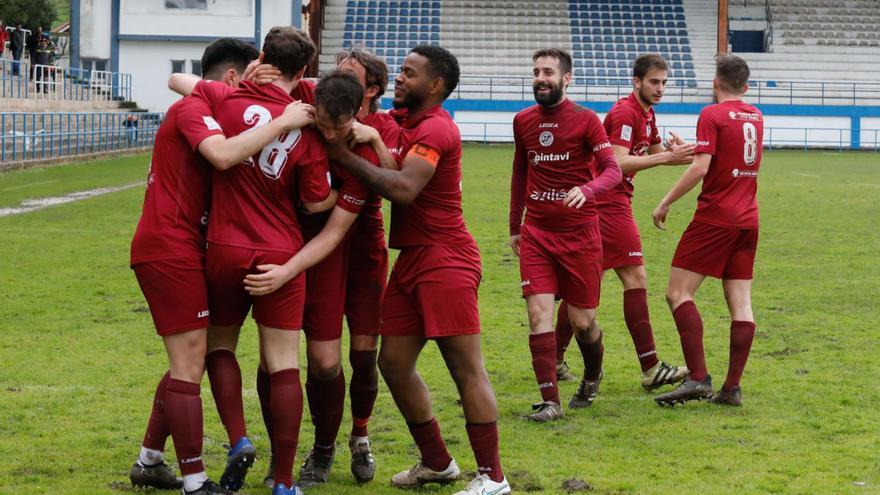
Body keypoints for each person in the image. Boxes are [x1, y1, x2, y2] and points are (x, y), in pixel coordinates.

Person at [128, 37, 313, 495]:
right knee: (191, 361)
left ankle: (151, 459)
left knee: (191, 356)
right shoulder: (194, 109)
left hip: (202, 247)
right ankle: (197, 480)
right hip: (175, 247)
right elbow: (224, 153)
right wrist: (287, 117)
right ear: (234, 76)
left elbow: (184, 81)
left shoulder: (221, 103)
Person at [329, 45, 511, 495]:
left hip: (446, 258)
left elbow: (404, 189)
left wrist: (340, 152)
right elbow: (394, 164)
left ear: (435, 85)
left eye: (409, 74)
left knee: (466, 368)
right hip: (413, 258)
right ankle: (437, 462)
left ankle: (493, 477)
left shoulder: (436, 129)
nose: (400, 80)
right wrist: (370, 140)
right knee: (392, 363)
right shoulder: (409, 124)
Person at [196, 27, 340, 495]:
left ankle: (238, 439)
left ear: (262, 58)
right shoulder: (306, 123)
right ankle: (282, 481)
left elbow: (182, 86)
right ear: (302, 73)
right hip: (279, 251)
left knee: (219, 347)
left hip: (224, 246)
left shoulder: (224, 100)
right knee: (282, 364)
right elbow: (317, 202)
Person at [552, 54, 692, 392]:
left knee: (585, 285)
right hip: (607, 200)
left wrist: (682, 151)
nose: (659, 88)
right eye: (654, 82)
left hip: (606, 201)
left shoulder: (646, 112)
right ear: (636, 81)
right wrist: (665, 157)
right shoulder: (626, 111)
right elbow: (616, 162)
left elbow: (656, 153)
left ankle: (552, 360)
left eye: (663, 83)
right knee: (635, 275)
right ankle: (650, 366)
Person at [508, 48, 622, 422]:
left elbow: (612, 171)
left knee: (582, 322)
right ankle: (550, 402)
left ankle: (591, 375)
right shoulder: (522, 121)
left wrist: (587, 190)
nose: (540, 78)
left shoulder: (587, 121)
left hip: (581, 235)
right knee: (538, 313)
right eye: (536, 70)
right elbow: (520, 175)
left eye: (548, 72)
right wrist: (514, 226)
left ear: (566, 78)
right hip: (538, 233)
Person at [652, 54, 763, 407]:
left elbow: (702, 169)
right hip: (748, 220)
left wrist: (665, 201)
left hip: (715, 218)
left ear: (714, 82)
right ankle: (732, 388)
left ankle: (698, 378)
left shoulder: (711, 114)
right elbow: (724, 155)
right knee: (741, 304)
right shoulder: (756, 116)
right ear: (745, 87)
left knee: (677, 293)